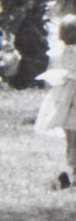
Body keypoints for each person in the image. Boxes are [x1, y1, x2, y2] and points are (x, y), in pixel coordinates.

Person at [37, 18, 76, 187]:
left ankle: (73, 171)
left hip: (64, 97)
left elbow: (49, 77)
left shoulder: (56, 52)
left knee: (71, 137)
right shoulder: (64, 52)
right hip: (70, 97)